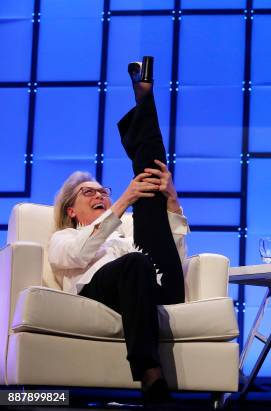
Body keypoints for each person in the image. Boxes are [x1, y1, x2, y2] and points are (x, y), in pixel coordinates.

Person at [48, 57, 186, 407]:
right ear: (70, 209)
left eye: (103, 191)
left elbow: (174, 262)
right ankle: (150, 375)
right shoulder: (62, 238)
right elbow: (79, 255)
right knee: (136, 260)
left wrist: (171, 202)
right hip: (100, 292)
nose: (99, 195)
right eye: (88, 193)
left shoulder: (126, 226)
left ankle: (145, 102)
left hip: (150, 288)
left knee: (154, 189)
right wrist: (122, 200)